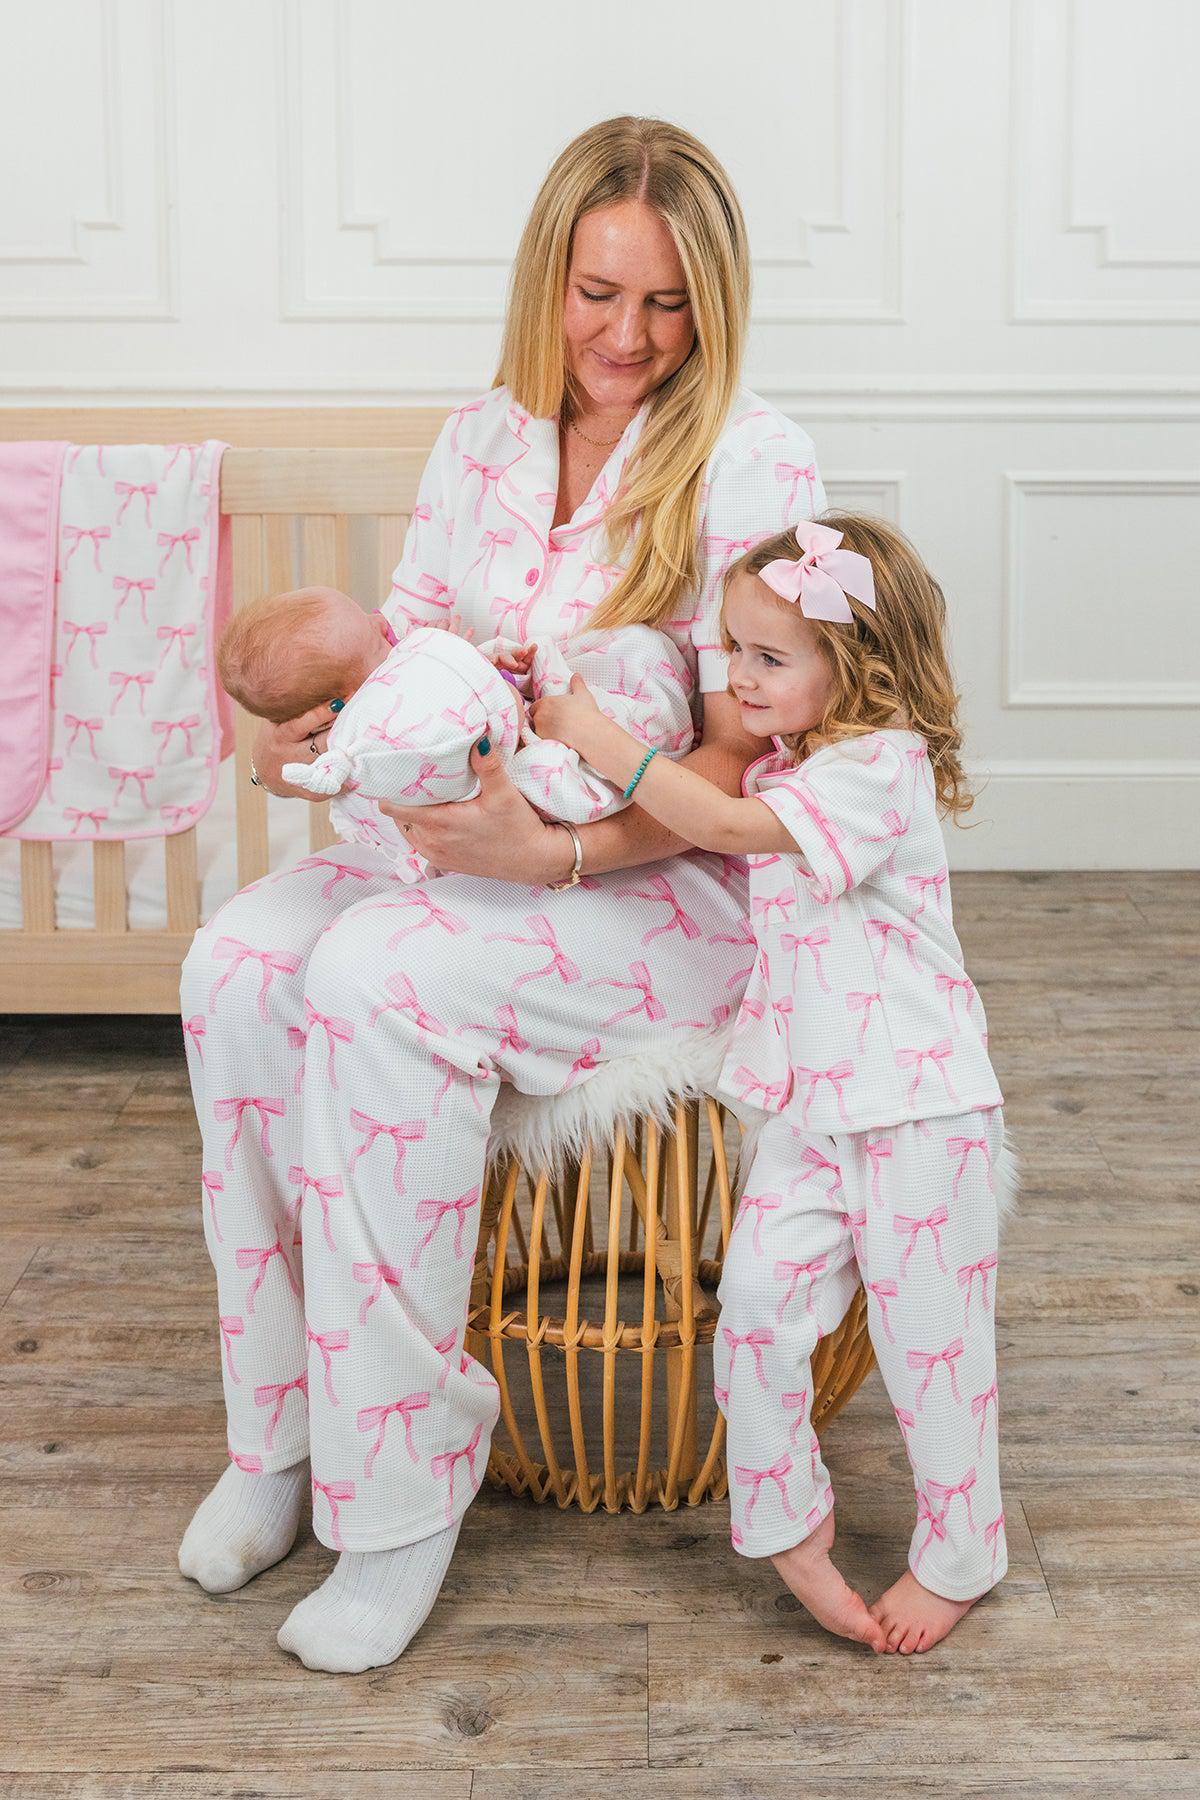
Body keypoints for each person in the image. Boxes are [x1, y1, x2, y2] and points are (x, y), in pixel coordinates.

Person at [177, 114, 826, 1675]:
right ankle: (281, 1430)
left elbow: (761, 769)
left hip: (665, 891)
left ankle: (397, 1501)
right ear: (549, 278)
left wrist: (564, 853)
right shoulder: (479, 439)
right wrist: (323, 738)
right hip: (451, 840)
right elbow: (402, 635)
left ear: (715, 305)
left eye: (668, 304)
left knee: (370, 986)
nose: (628, 338)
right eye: (598, 294)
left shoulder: (757, 461)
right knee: (232, 969)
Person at [532, 513, 1011, 1656]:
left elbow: (730, 822)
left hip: (914, 1104)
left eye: (766, 657)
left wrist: (605, 743)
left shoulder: (873, 769)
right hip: (808, 1104)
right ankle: (788, 1518)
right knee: (754, 1306)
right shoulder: (802, 759)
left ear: (859, 668)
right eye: (731, 650)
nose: (735, 678)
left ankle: (963, 1551)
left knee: (932, 1340)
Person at [214, 586, 696, 865]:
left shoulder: (395, 675)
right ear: (343, 704)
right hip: (488, 828)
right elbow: (487, 741)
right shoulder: (392, 741)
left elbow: (489, 694)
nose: (382, 621)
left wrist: (484, 663)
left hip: (587, 851)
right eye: (372, 635)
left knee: (630, 655)